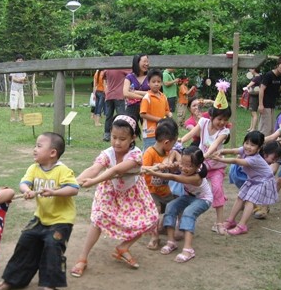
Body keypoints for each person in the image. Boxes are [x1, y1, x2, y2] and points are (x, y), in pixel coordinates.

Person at [70, 115, 158, 277]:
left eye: (122, 139)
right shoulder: (107, 153)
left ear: (133, 138)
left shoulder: (136, 154)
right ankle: (82, 258)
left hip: (133, 192)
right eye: (114, 137)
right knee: (98, 219)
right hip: (109, 191)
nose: (117, 142)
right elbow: (94, 169)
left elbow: (115, 171)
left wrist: (94, 181)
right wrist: (74, 182)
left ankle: (123, 247)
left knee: (151, 218)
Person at [0, 132, 78, 290]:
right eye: (35, 145)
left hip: (61, 220)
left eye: (39, 146)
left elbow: (73, 188)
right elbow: (23, 183)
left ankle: (51, 286)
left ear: (52, 153)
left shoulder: (62, 170)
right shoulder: (34, 168)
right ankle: (15, 279)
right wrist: (26, 190)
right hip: (40, 217)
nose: (34, 149)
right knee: (26, 240)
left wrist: (55, 192)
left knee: (52, 245)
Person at [180, 81, 232, 234]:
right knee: (187, 185)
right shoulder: (203, 122)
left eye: (225, 120)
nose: (222, 123)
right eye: (219, 119)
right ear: (211, 116)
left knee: (217, 188)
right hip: (200, 164)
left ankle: (219, 222)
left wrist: (205, 155)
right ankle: (182, 215)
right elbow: (192, 133)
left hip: (215, 166)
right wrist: (181, 140)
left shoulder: (224, 132)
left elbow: (215, 144)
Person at [145, 146, 212, 263]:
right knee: (170, 206)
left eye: (189, 166)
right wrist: (170, 162)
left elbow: (173, 177)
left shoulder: (196, 177)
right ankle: (171, 242)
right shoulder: (183, 161)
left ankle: (188, 249)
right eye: (182, 163)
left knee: (188, 213)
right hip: (189, 196)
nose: (184, 168)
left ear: (198, 166)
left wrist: (152, 172)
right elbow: (174, 152)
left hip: (203, 199)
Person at [210, 131, 278, 235]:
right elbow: (233, 151)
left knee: (249, 201)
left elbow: (236, 161)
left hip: (263, 181)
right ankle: (230, 220)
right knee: (240, 197)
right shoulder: (244, 150)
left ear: (259, 148)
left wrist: (220, 159)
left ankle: (242, 226)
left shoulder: (254, 159)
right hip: (253, 179)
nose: (248, 147)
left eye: (252, 145)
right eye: (246, 143)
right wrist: (222, 151)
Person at [142, 119, 180, 249]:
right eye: (173, 143)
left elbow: (173, 170)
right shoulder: (150, 153)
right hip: (151, 191)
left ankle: (166, 227)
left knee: (175, 205)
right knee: (156, 210)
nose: (173, 147)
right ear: (166, 142)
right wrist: (159, 167)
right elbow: (143, 170)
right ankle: (155, 237)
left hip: (164, 190)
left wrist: (173, 165)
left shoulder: (168, 153)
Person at [139, 68, 172, 150]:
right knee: (149, 151)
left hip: (162, 130)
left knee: (160, 150)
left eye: (159, 82)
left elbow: (167, 110)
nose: (156, 84)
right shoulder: (147, 97)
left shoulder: (163, 96)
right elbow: (142, 114)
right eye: (153, 82)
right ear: (148, 83)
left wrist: (169, 114)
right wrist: (159, 119)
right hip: (150, 132)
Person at [258, 56, 281, 136]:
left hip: (272, 105)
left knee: (271, 129)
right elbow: (261, 89)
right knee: (265, 129)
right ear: (278, 65)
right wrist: (260, 105)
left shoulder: (279, 77)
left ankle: (267, 147)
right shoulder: (269, 75)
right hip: (265, 105)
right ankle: (260, 146)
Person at [102, 52, 129, 141]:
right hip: (119, 95)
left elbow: (103, 76)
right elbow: (133, 73)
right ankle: (121, 133)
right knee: (121, 116)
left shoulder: (108, 69)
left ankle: (106, 134)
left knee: (108, 116)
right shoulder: (122, 69)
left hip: (109, 95)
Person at [122, 54, 149, 133]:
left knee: (148, 131)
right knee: (127, 129)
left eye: (147, 61)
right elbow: (126, 93)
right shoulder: (129, 77)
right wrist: (143, 96)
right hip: (132, 107)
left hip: (147, 107)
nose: (146, 64)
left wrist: (135, 92)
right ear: (137, 62)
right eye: (144, 61)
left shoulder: (150, 76)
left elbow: (152, 93)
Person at [9, 53, 26, 122]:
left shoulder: (23, 69)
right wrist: (20, 80)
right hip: (14, 89)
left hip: (20, 89)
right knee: (13, 104)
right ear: (16, 61)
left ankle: (20, 117)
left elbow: (24, 78)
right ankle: (12, 117)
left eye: (21, 60)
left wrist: (20, 80)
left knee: (20, 103)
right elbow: (13, 79)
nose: (20, 61)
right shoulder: (13, 68)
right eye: (19, 60)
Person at [244, 67, 262, 131]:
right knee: (252, 113)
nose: (249, 70)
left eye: (251, 69)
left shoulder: (256, 78)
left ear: (254, 69)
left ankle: (253, 128)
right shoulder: (258, 77)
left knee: (254, 113)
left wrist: (248, 88)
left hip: (254, 98)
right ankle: (251, 127)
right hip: (254, 96)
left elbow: (248, 86)